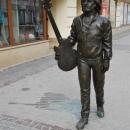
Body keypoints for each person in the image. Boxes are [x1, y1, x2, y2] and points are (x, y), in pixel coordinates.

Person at [55, 0, 112, 129]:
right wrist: (62, 47)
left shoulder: (104, 22)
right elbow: (72, 39)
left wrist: (107, 59)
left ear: (95, 3)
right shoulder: (77, 21)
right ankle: (84, 116)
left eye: (88, 1)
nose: (84, 3)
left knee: (99, 86)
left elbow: (107, 43)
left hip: (98, 60)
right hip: (83, 60)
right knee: (84, 89)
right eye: (82, 1)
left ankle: (100, 105)